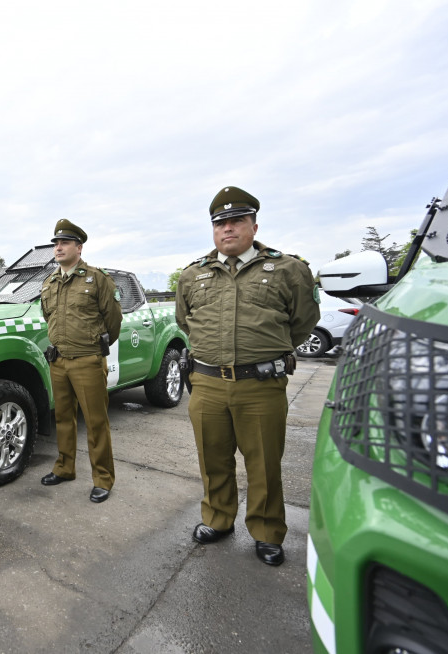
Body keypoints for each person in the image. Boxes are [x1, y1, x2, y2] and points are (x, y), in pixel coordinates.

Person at [175, 185, 320, 566]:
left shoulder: (289, 269)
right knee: (213, 459)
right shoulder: (193, 275)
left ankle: (268, 531)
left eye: (237, 220)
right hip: (206, 383)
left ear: (254, 226)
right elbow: (185, 321)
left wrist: (265, 350)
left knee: (264, 464)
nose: (228, 229)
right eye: (220, 223)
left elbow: (303, 322)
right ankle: (218, 519)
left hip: (261, 385)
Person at [39, 219, 122, 503]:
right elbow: (48, 317)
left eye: (64, 243)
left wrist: (93, 347)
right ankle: (64, 468)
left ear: (79, 247)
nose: (58, 247)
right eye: (55, 243)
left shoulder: (96, 278)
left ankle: (103, 478)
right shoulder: (49, 282)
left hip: (87, 360)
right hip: (58, 361)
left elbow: (113, 321)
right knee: (63, 418)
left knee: (96, 422)